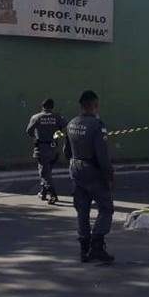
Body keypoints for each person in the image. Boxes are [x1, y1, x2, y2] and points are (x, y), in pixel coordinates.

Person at [64, 90, 115, 263]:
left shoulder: (71, 123)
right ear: (94, 105)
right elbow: (102, 155)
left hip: (75, 169)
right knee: (106, 207)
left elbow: (66, 151)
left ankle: (84, 249)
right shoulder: (97, 125)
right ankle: (97, 246)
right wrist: (109, 175)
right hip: (92, 170)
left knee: (82, 210)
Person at [26, 98, 67, 204]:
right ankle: (43, 192)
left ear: (42, 106)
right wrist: (56, 133)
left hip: (41, 148)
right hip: (54, 148)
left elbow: (29, 131)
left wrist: (36, 137)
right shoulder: (57, 117)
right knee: (47, 171)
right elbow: (65, 125)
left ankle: (53, 194)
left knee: (44, 172)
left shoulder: (36, 117)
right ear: (52, 107)